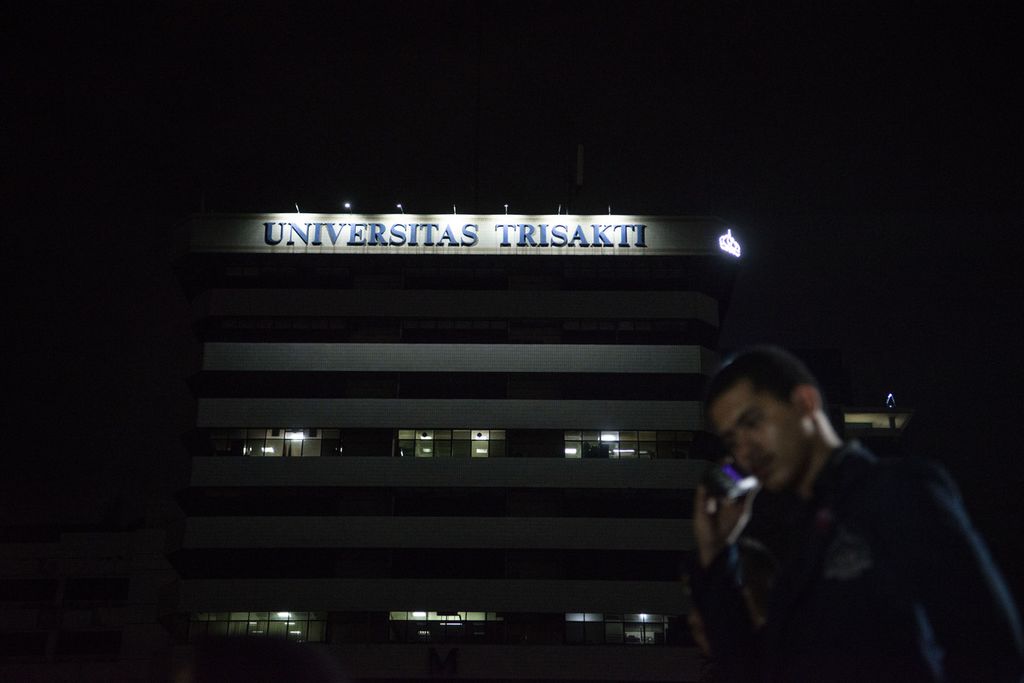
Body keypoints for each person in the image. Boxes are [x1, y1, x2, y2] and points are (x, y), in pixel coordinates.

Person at [690, 346, 1024, 682]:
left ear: (805, 403)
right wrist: (716, 553)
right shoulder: (801, 539)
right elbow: (755, 671)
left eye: (752, 422)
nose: (746, 450)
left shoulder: (893, 490)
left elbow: (988, 645)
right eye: (731, 441)